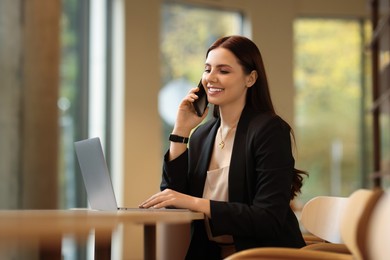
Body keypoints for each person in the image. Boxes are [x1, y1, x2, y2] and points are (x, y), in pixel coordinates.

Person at [140, 35, 307, 259]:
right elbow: (174, 199)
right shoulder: (202, 135)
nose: (211, 78)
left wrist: (195, 202)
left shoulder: (269, 131)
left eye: (223, 71)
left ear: (250, 78)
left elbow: (267, 219)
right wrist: (180, 132)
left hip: (263, 254)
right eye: (207, 69)